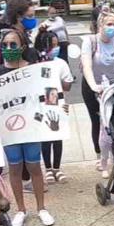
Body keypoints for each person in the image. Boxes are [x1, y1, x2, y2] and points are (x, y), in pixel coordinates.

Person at [0, 29, 53, 226]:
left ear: (22, 46)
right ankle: (20, 210)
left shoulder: (33, 69)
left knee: (34, 166)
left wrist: (56, 108)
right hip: (9, 129)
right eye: (5, 45)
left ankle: (41, 208)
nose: (9, 48)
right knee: (15, 168)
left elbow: (47, 93)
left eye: (13, 44)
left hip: (31, 127)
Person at [80, 12, 114, 173]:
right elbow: (87, 66)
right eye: (108, 24)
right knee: (98, 121)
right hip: (93, 85)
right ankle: (100, 157)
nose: (112, 28)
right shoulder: (90, 42)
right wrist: (93, 85)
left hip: (113, 84)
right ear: (100, 26)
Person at [35, 31, 74, 183]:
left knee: (58, 134)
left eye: (57, 45)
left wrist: (61, 80)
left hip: (57, 100)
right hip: (40, 103)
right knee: (45, 135)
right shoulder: (37, 63)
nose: (55, 48)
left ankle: (57, 168)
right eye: (52, 45)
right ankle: (48, 168)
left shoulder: (61, 63)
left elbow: (67, 86)